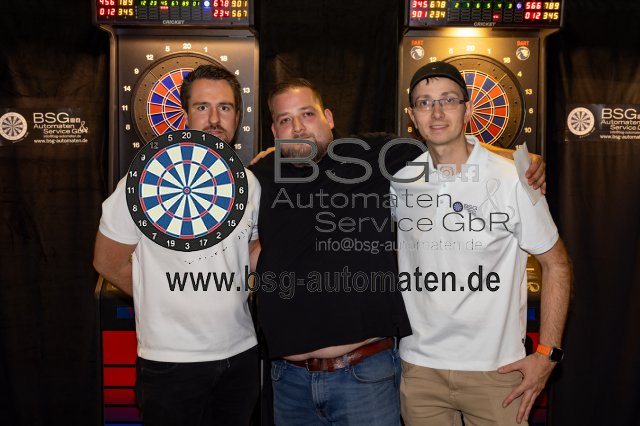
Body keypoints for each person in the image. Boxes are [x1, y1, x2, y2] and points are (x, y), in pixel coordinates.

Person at [249, 77, 547, 425]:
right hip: (289, 381)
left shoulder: (372, 155)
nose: (298, 127)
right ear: (274, 131)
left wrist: (520, 159)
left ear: (328, 117)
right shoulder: (261, 175)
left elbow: (447, 145)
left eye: (307, 114)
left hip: (364, 376)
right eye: (285, 119)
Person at [391, 61, 572, 425]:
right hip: (421, 371)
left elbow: (557, 264)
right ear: (412, 115)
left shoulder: (512, 178)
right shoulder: (401, 181)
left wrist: (547, 355)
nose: (437, 112)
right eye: (425, 102)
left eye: (448, 100)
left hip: (497, 372)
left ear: (468, 108)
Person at [93, 65, 261, 426]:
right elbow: (108, 263)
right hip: (170, 362)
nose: (214, 119)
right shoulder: (144, 178)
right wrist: (163, 297)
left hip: (241, 355)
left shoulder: (250, 183)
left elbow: (249, 253)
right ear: (185, 116)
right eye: (202, 107)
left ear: (237, 117)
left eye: (225, 107)